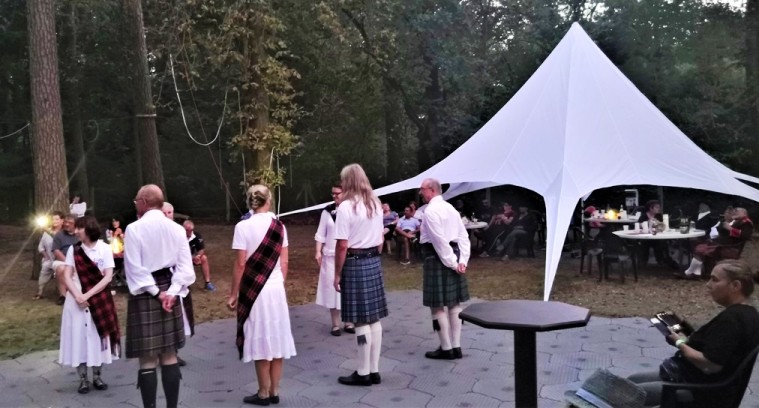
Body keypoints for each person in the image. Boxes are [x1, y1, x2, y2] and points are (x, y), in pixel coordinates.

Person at [628, 259, 759, 406]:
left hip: (699, 389)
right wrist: (688, 337)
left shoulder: (734, 319)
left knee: (624, 394)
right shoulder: (749, 313)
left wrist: (679, 342)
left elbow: (710, 365)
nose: (708, 284)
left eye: (714, 279)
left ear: (735, 286)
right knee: (631, 381)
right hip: (688, 376)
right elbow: (718, 346)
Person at [124, 185, 195, 408]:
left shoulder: (134, 229)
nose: (135, 204)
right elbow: (185, 268)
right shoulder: (176, 229)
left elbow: (134, 269)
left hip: (146, 293)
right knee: (169, 354)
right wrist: (171, 293)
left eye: (136, 200)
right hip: (169, 287)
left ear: (144, 202)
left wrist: (157, 293)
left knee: (147, 359)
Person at [227, 184, 296, 405]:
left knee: (260, 340)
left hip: (253, 291)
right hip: (275, 289)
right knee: (276, 338)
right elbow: (284, 262)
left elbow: (240, 264)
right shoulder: (280, 227)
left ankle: (263, 392)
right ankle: (275, 391)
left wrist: (233, 294)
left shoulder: (242, 227)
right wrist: (278, 282)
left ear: (250, 202)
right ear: (269, 201)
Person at [334, 163, 387, 386]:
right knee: (374, 318)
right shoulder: (375, 203)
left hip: (355, 262)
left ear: (348, 181)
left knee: (360, 321)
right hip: (373, 260)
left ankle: (363, 372)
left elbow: (342, 245)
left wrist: (337, 274)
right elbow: (381, 238)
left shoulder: (346, 207)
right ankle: (374, 370)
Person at [59, 215, 120, 394]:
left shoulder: (104, 248)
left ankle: (97, 377)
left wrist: (87, 295)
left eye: (79, 228)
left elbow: (107, 277)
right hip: (76, 300)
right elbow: (67, 275)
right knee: (79, 338)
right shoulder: (74, 250)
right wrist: (77, 296)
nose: (76, 231)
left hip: (98, 300)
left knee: (97, 337)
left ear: (89, 229)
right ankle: (83, 379)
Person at [418, 178, 471, 360]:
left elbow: (439, 242)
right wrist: (462, 260)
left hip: (437, 258)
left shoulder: (430, 211)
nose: (420, 192)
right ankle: (456, 347)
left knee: (437, 306)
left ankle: (447, 348)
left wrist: (454, 263)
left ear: (431, 190)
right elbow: (463, 237)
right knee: (454, 304)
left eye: (422, 189)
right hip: (453, 256)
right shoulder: (451, 209)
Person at [314, 182, 354, 336]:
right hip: (330, 255)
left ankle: (349, 322)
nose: (335, 196)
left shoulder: (352, 209)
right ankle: (335, 324)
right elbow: (321, 233)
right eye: (333, 193)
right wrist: (318, 251)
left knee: (347, 288)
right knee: (332, 288)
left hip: (348, 254)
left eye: (338, 193)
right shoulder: (327, 212)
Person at [162, 202, 194, 367]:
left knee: (178, 316)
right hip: (162, 278)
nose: (167, 215)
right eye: (164, 212)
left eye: (170, 212)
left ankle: (173, 352)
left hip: (178, 277)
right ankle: (164, 353)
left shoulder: (177, 231)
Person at [681, 207, 753, 279]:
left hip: (728, 247)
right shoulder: (735, 221)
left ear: (744, 213)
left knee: (701, 249)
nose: (735, 212)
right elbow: (719, 229)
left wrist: (730, 229)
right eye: (734, 211)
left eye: (737, 211)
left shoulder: (746, 222)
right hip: (719, 243)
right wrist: (725, 224)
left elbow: (745, 235)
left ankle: (690, 272)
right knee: (698, 245)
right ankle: (696, 273)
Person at [637, 200, 679, 269]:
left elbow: (664, 226)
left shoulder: (659, 216)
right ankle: (643, 262)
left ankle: (663, 260)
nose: (659, 209)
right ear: (651, 208)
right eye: (657, 207)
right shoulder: (643, 216)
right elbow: (638, 226)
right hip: (646, 238)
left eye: (659, 207)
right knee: (644, 244)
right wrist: (647, 223)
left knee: (662, 243)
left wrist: (659, 225)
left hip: (657, 238)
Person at [33, 211, 64, 300]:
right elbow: (41, 247)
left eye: (57, 219)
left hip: (61, 260)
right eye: (53, 219)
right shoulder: (46, 233)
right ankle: (40, 292)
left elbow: (58, 238)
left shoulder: (64, 233)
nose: (54, 221)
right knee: (43, 273)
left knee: (61, 275)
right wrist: (46, 256)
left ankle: (62, 294)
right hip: (50, 260)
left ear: (62, 221)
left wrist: (47, 229)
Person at [183, 220, 217, 291]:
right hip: (181, 258)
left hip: (191, 257)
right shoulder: (178, 236)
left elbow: (201, 249)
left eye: (191, 230)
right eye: (187, 230)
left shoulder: (197, 236)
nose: (189, 232)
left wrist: (198, 256)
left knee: (204, 258)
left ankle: (207, 283)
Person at [52, 214, 79, 305]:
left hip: (78, 260)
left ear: (75, 224)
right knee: (61, 269)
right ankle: (63, 296)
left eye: (70, 223)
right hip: (62, 260)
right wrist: (68, 262)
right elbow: (56, 251)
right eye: (66, 222)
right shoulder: (59, 235)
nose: (67, 224)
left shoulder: (79, 234)